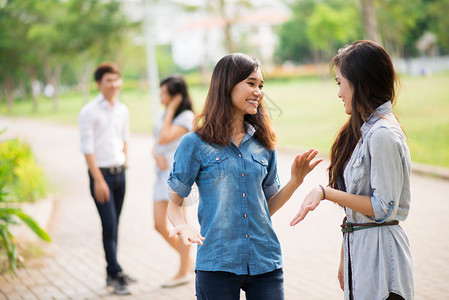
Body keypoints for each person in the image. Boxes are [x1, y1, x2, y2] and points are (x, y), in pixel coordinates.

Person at [166, 53, 322, 299]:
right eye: (251, 83)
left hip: (265, 261)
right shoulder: (195, 143)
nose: (258, 91)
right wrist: (182, 225)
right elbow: (173, 205)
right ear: (227, 85)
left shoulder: (264, 143)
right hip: (216, 263)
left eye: (261, 86)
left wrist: (295, 181)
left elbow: (265, 207)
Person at [290, 40, 414, 300]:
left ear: (361, 82)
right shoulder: (364, 131)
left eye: (340, 83)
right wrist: (344, 255)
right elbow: (358, 212)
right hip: (362, 254)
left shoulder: (383, 134)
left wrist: (325, 192)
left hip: (382, 263)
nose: (338, 93)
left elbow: (382, 207)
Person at [78, 62, 136, 295]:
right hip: (100, 176)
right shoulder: (89, 111)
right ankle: (114, 272)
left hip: (120, 173)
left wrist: (126, 161)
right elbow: (87, 148)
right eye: (109, 80)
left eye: (117, 79)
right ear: (98, 84)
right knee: (109, 224)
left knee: (115, 224)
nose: (114, 84)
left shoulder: (122, 109)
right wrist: (98, 180)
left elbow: (125, 137)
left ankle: (113, 272)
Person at [152, 75, 195, 287]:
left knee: (181, 224)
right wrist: (155, 155)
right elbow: (156, 143)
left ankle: (182, 271)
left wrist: (171, 109)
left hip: (177, 176)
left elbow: (164, 137)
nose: (161, 97)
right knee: (159, 224)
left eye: (164, 93)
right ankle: (190, 263)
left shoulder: (186, 116)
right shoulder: (164, 115)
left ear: (176, 96)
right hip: (160, 175)